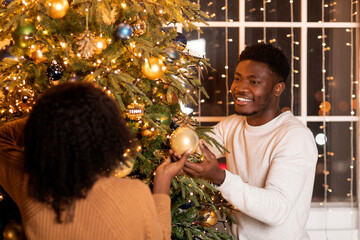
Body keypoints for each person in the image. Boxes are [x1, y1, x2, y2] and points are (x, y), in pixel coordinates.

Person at [0, 82, 189, 240]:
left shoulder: (31, 186)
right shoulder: (134, 195)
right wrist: (163, 179)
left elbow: (2, 138)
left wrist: (53, 120)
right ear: (109, 135)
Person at [180, 43, 318, 239]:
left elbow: (276, 210)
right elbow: (195, 150)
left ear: (277, 89)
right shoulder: (231, 126)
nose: (240, 88)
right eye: (237, 79)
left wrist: (221, 178)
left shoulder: (295, 136)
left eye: (254, 82)